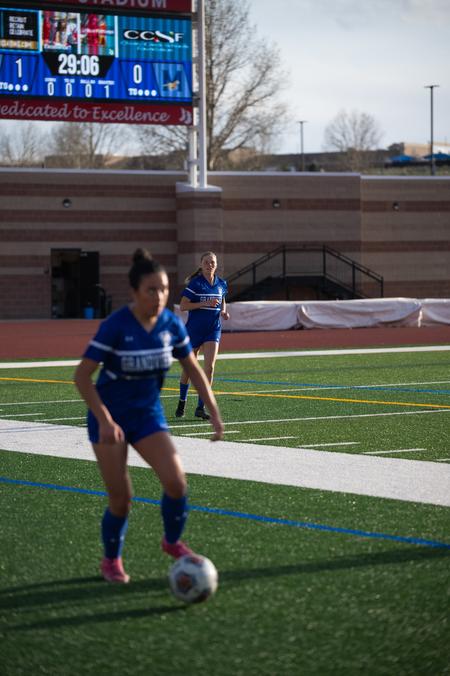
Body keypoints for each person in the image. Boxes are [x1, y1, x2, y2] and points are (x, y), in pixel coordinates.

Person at [74, 248, 224, 584]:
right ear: (134, 292)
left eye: (164, 289)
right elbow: (82, 377)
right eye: (151, 290)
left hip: (146, 416)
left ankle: (171, 541)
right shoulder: (116, 326)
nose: (159, 297)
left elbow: (193, 368)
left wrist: (213, 410)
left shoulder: (170, 324)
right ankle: (111, 560)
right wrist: (105, 419)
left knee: (176, 483)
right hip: (109, 419)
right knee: (121, 499)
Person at [175, 251, 229, 420]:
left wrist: (223, 312)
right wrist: (205, 303)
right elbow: (183, 306)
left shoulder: (221, 283)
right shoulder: (195, 283)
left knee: (210, 368)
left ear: (216, 264)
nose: (209, 265)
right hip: (194, 331)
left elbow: (222, 301)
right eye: (206, 262)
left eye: (212, 262)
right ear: (201, 264)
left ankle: (200, 406)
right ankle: (182, 401)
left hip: (213, 329)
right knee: (189, 369)